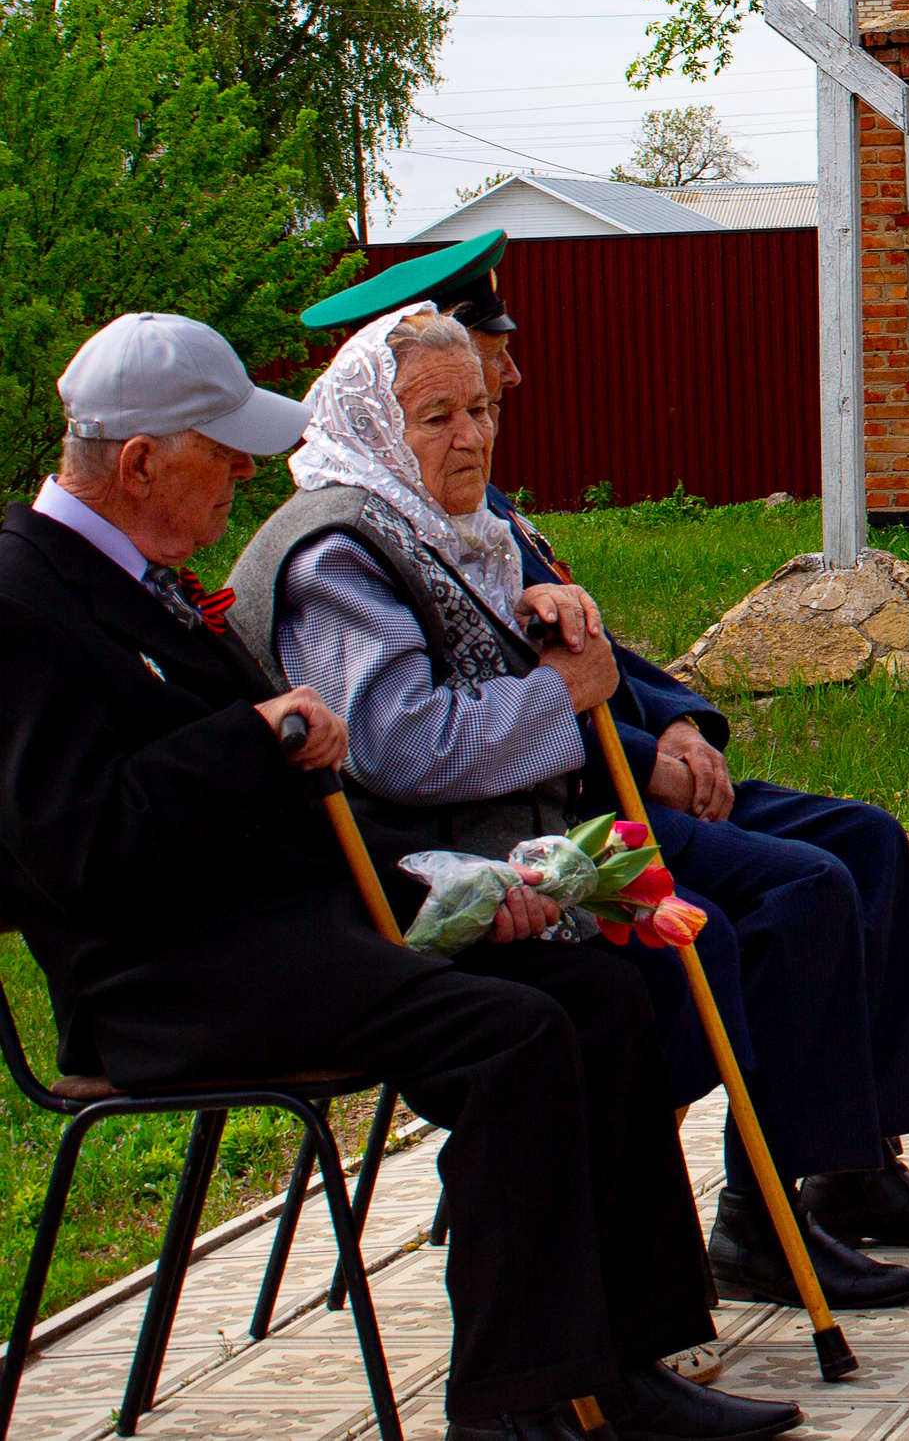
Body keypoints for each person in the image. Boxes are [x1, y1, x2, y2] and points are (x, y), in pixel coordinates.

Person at [0, 314, 798, 1441]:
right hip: (163, 976)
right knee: (507, 1036)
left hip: (280, 924)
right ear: (138, 463)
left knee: (599, 992)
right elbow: (77, 851)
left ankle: (628, 1359)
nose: (240, 471)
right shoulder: (25, 596)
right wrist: (258, 739)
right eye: (218, 450)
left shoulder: (145, 574)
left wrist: (444, 883)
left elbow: (291, 808)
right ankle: (515, 1402)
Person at [295, 248, 909, 1304]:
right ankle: (756, 1212)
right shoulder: (369, 532)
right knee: (794, 891)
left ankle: (854, 1162)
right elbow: (481, 709)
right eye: (476, 375)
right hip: (556, 809)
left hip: (601, 774)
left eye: (479, 388)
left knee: (862, 837)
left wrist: (679, 723)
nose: (501, 395)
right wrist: (644, 756)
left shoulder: (470, 513)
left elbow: (595, 653)